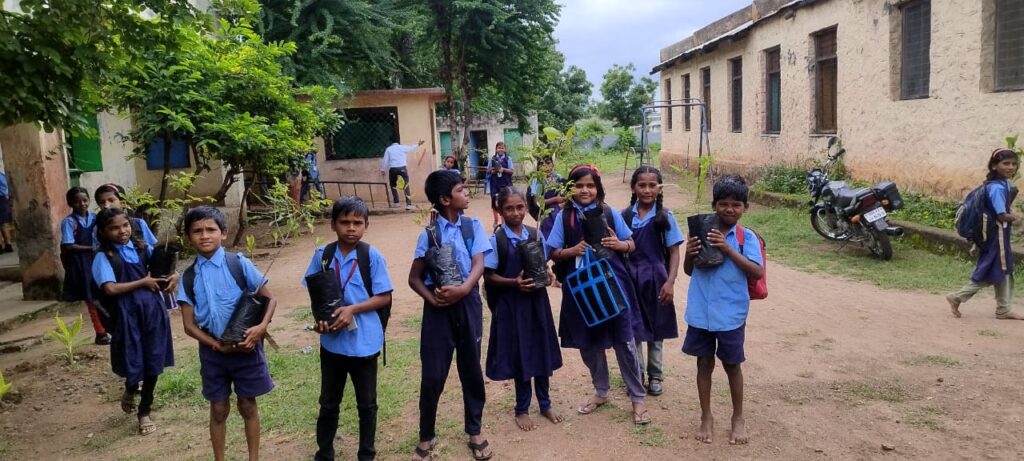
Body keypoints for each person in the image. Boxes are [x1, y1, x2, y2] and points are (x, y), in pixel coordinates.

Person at [545, 165, 651, 426]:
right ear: (571, 189)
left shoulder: (608, 212)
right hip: (581, 289)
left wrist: (619, 245)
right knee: (588, 344)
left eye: (590, 185)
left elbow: (631, 243)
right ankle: (601, 391)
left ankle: (637, 397)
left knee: (624, 342)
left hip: (612, 285)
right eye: (579, 185)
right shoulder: (564, 216)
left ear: (598, 188)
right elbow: (553, 251)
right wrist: (572, 251)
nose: (585, 190)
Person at [177, 206, 277, 461]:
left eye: (211, 229)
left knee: (247, 404)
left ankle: (253, 457)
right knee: (218, 408)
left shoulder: (238, 263)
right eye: (197, 231)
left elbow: (270, 298)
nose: (204, 235)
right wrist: (215, 345)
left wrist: (261, 327)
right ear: (188, 236)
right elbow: (189, 326)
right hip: (213, 353)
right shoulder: (188, 277)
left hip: (246, 347)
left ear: (223, 233)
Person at [408, 170, 494, 461]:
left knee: (471, 370)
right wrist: (432, 298)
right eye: (461, 189)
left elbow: (479, 263)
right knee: (433, 375)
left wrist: (464, 289)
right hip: (438, 312)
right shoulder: (429, 234)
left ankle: (475, 431)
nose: (467, 192)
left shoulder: (472, 226)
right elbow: (414, 278)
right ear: (445, 199)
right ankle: (426, 435)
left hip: (467, 303)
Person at [303, 197, 393, 461]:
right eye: (344, 222)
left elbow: (384, 297)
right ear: (333, 225)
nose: (350, 228)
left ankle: (366, 454)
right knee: (329, 402)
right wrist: (320, 320)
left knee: (367, 404)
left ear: (366, 225)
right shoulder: (322, 256)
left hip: (364, 342)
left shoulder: (371, 256)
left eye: (357, 223)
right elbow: (315, 293)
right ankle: (324, 453)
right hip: (333, 344)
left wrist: (352, 309)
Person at [682, 175, 763, 445]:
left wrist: (727, 248)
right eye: (724, 204)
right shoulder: (701, 230)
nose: (730, 209)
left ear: (745, 208)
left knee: (732, 365)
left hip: (730, 314)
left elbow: (756, 271)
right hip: (701, 312)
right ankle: (706, 415)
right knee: (704, 363)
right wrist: (689, 254)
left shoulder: (745, 236)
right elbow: (689, 271)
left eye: (736, 205)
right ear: (714, 205)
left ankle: (737, 417)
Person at [483, 188, 563, 432]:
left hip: (537, 304)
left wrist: (548, 275)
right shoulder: (496, 240)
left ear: (526, 208)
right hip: (513, 306)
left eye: (520, 207)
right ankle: (521, 408)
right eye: (509, 208)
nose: (516, 213)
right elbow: (488, 276)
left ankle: (545, 403)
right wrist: (513, 283)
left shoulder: (535, 234)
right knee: (521, 355)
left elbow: (543, 264)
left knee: (541, 350)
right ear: (500, 211)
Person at [91, 207, 176, 436]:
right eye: (114, 228)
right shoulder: (104, 256)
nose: (122, 231)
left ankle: (145, 410)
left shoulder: (141, 248)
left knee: (154, 358)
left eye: (125, 225)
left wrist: (173, 275)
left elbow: (160, 269)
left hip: (152, 310)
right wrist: (142, 282)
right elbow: (109, 288)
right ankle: (130, 386)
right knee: (134, 358)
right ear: (103, 232)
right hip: (126, 314)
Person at [624, 166, 683, 396]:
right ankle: (636, 375)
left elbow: (675, 252)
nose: (647, 190)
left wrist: (670, 282)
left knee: (657, 329)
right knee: (633, 328)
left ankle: (656, 374)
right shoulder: (624, 216)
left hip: (657, 278)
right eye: (642, 185)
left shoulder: (665, 217)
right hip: (631, 279)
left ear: (659, 188)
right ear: (633, 187)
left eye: (652, 185)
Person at [947, 147, 1024, 320]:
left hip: (994, 233)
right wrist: (1017, 218)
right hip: (997, 233)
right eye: (1006, 163)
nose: (1011, 167)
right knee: (993, 269)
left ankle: (1003, 309)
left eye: (1014, 164)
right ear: (994, 166)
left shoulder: (1001, 184)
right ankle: (957, 296)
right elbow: (1002, 215)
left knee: (1005, 269)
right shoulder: (996, 187)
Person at [60, 187, 109, 344]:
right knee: (91, 297)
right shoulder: (69, 222)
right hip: (81, 264)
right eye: (77, 201)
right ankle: (100, 332)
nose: (82, 204)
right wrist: (92, 248)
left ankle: (108, 327)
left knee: (104, 292)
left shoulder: (95, 218)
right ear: (70, 203)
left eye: (85, 200)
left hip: (96, 260)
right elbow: (68, 245)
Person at [92, 183, 158, 247]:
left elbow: (151, 250)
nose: (106, 206)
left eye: (111, 200)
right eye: (102, 202)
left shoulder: (139, 224)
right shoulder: (98, 229)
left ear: (122, 203)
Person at [380, 138, 425, 210]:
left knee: (393, 185)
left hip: (393, 169)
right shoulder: (402, 147)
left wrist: (382, 170)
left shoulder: (388, 149)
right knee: (406, 185)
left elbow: (385, 160)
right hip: (402, 169)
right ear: (398, 143)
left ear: (391, 144)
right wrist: (418, 144)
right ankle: (409, 204)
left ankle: (396, 202)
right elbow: (411, 148)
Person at [527, 155, 564, 239]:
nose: (546, 167)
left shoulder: (558, 177)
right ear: (538, 166)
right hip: (546, 214)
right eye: (542, 164)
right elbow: (537, 202)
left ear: (552, 164)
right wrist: (555, 199)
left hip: (559, 211)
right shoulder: (537, 181)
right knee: (548, 236)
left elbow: (564, 194)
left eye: (548, 163)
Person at [487, 142, 514, 228]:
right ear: (496, 149)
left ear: (505, 149)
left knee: (504, 202)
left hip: (505, 183)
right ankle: (495, 221)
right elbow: (488, 170)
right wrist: (493, 170)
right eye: (499, 148)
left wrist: (503, 170)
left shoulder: (508, 159)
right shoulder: (492, 159)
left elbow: (512, 171)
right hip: (494, 183)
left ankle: (503, 223)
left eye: (502, 148)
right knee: (494, 202)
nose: (500, 149)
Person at [0, 168, 13, 253]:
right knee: (4, 224)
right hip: (2, 199)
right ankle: (8, 245)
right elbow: (6, 185)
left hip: (1, 198)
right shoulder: (1, 174)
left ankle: (1, 246)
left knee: (3, 224)